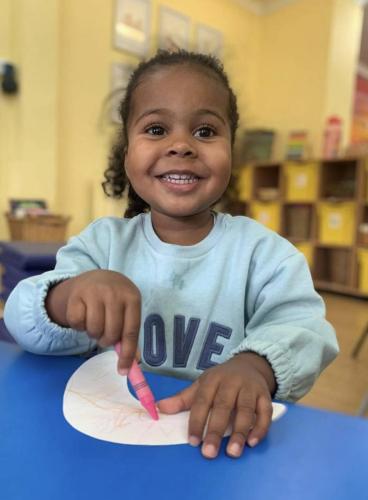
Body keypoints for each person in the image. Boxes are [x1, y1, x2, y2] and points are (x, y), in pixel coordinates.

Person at [4, 50, 339, 460]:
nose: (181, 145)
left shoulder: (263, 255)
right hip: (106, 445)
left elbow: (308, 331)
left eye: (204, 132)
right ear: (126, 155)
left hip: (218, 444)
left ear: (231, 151)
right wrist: (65, 298)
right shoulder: (102, 245)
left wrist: (256, 366)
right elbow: (20, 317)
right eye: (157, 129)